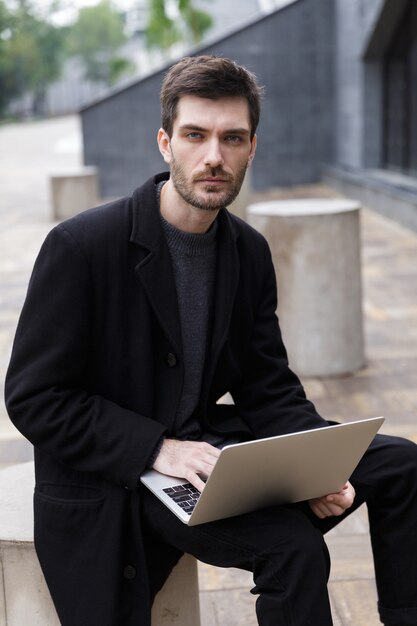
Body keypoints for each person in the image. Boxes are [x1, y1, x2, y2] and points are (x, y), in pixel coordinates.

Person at [5, 55, 417, 626]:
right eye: (195, 135)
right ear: (165, 143)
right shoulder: (81, 247)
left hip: (206, 451)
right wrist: (157, 449)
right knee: (294, 551)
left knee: (401, 464)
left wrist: (318, 470)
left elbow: (266, 386)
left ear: (253, 148)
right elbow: (34, 398)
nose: (213, 157)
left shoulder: (247, 250)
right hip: (121, 475)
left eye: (232, 138)